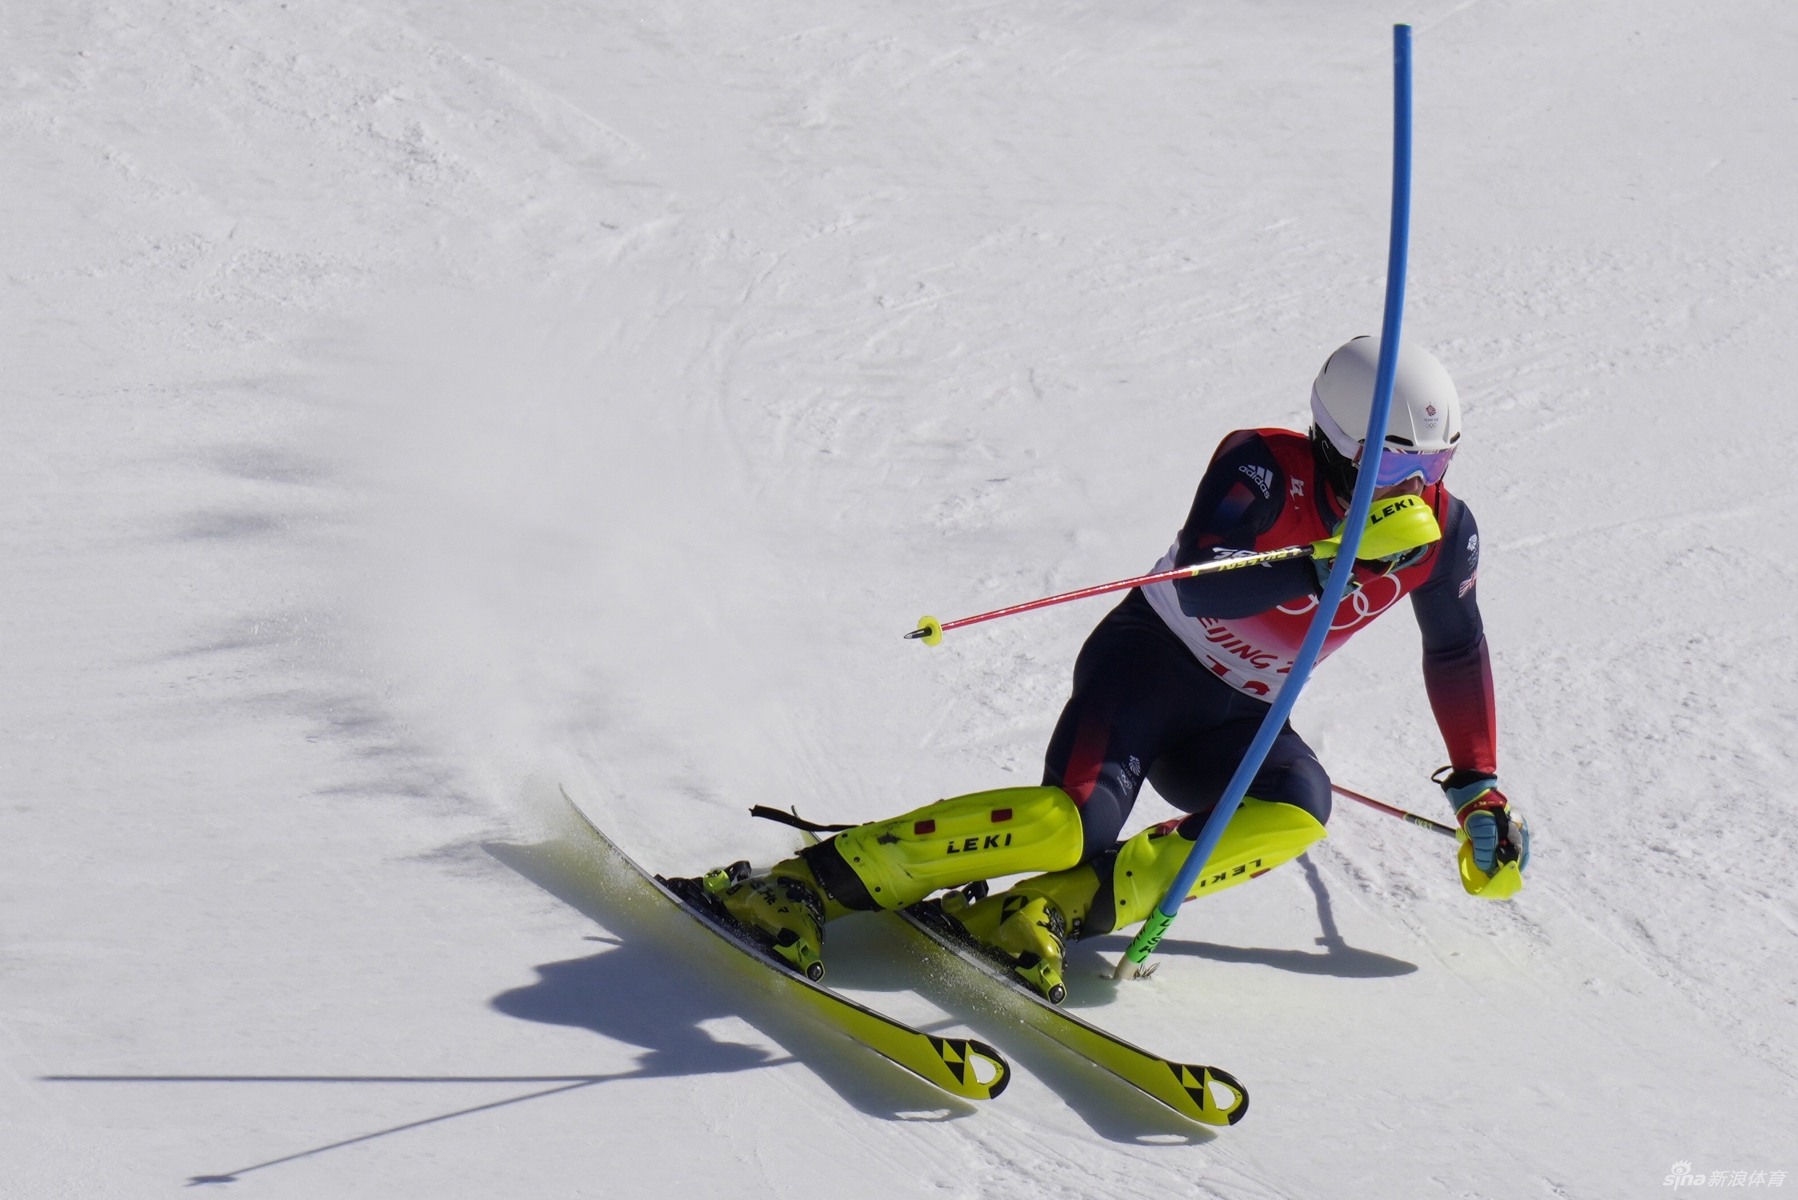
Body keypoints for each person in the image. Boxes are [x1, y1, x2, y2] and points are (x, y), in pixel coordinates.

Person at [683, 336, 1530, 998]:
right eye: (1396, 465)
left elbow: (1455, 646)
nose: (1414, 491)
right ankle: (802, 885)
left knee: (1299, 808)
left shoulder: (1442, 533)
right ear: (1338, 443)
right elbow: (1201, 581)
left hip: (1239, 715)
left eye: (1433, 466)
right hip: (1149, 666)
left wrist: (1477, 786)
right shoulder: (1265, 467)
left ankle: (1043, 909)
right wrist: (1329, 563)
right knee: (1072, 825)